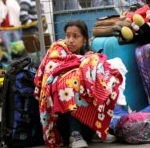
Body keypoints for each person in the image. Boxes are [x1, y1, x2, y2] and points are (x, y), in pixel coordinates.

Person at [34, 20, 123, 148]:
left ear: (84, 39)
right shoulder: (58, 49)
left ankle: (95, 129)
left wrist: (90, 60)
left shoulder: (88, 54)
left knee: (99, 80)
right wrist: (82, 60)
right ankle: (74, 134)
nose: (70, 40)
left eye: (75, 36)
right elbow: (51, 70)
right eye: (68, 35)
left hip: (79, 92)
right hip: (59, 96)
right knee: (70, 85)